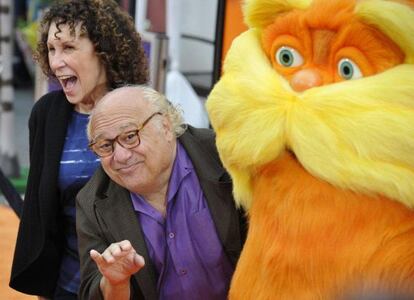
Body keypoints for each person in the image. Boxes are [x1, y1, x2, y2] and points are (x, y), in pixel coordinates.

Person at [9, 1, 148, 299]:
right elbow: (41, 207)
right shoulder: (46, 113)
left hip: (132, 284)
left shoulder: (142, 110)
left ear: (103, 49)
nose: (56, 61)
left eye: (68, 47)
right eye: (51, 49)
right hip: (67, 283)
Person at [76, 85, 247, 300]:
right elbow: (91, 292)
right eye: (105, 146)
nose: (120, 156)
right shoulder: (92, 202)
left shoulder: (225, 155)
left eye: (130, 136)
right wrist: (114, 282)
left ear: (165, 126)